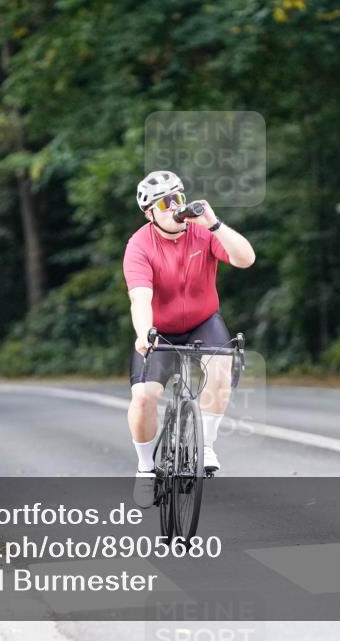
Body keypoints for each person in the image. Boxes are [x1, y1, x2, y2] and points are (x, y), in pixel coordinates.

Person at [123, 170, 256, 507]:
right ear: (149, 213)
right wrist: (144, 335)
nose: (175, 208)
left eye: (179, 198)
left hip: (202, 321)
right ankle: (144, 468)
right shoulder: (139, 245)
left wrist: (214, 224)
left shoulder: (201, 231)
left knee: (222, 368)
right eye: (166, 203)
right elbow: (140, 299)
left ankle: (206, 444)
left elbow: (246, 259)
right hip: (160, 329)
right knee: (143, 398)